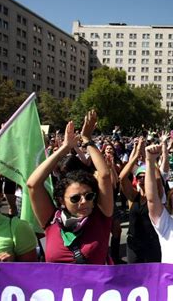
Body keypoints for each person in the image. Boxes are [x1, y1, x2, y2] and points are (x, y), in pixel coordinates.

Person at [27, 111, 113, 264]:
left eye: (89, 196)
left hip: (96, 288)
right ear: (61, 200)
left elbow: (104, 175)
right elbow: (33, 184)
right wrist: (64, 148)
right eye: (75, 198)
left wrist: (87, 139)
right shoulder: (51, 220)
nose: (83, 201)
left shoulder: (101, 217)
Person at [119, 138, 162, 263]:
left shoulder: (156, 198)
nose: (142, 179)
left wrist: (150, 158)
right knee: (133, 276)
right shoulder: (133, 197)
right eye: (139, 177)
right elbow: (122, 178)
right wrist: (136, 154)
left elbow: (158, 179)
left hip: (152, 243)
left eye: (145, 177)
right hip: (133, 243)